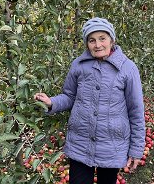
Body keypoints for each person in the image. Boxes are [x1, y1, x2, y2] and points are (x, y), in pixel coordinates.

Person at [34, 17, 145, 184]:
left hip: (111, 146)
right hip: (80, 142)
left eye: (102, 38)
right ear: (87, 44)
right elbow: (69, 96)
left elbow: (136, 111)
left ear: (112, 40)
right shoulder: (78, 65)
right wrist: (52, 102)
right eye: (92, 40)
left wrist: (136, 149)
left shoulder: (127, 68)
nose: (98, 45)